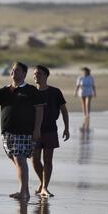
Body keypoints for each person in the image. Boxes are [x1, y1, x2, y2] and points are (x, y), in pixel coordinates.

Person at [0, 61, 45, 200]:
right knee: (17, 160)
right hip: (7, 133)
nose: (13, 73)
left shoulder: (31, 91)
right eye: (12, 70)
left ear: (24, 74)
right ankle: (24, 190)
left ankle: (23, 192)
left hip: (24, 132)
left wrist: (37, 129)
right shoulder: (6, 90)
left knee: (20, 159)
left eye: (16, 70)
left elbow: (40, 109)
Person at [32, 65, 70, 198]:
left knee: (47, 160)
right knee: (35, 159)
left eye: (39, 74)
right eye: (35, 74)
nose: (36, 76)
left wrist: (66, 128)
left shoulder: (55, 92)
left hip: (50, 130)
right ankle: (43, 183)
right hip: (34, 131)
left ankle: (44, 187)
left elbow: (64, 110)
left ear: (46, 76)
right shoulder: (31, 92)